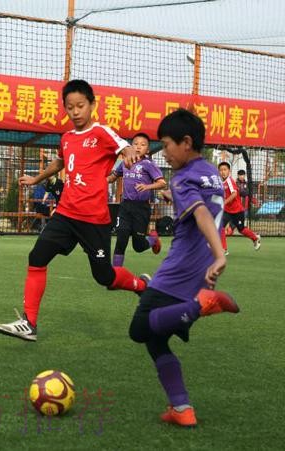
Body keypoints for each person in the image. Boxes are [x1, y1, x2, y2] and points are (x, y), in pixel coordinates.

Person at [0, 79, 150, 342]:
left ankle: (143, 286)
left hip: (94, 220)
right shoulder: (66, 138)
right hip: (65, 214)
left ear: (92, 105)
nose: (75, 111)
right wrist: (36, 179)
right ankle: (29, 323)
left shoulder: (101, 132)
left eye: (80, 105)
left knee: (104, 277)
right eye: (70, 107)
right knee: (37, 257)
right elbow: (59, 162)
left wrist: (128, 154)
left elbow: (123, 146)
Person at [129, 109, 240, 427]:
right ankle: (181, 408)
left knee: (139, 329)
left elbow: (201, 212)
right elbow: (203, 207)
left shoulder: (182, 177)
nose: (164, 152)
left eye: (166, 145)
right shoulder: (210, 173)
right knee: (156, 340)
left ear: (186, 142)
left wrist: (221, 255)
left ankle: (198, 307)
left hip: (180, 271)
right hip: (202, 271)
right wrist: (215, 256)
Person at [107, 132, 166, 267]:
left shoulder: (148, 164)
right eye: (135, 144)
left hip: (141, 208)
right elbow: (112, 177)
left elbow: (162, 183)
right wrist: (102, 180)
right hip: (125, 207)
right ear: (130, 147)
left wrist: (147, 186)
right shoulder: (124, 162)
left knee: (138, 246)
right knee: (121, 240)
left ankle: (153, 239)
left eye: (143, 144)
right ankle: (116, 274)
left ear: (148, 150)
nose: (138, 146)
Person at [218, 162, 260, 253]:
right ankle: (224, 249)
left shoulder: (229, 181)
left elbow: (234, 194)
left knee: (241, 229)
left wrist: (224, 202)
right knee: (220, 227)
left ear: (229, 171)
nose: (223, 172)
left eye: (225, 169)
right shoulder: (221, 182)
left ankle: (255, 238)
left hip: (237, 211)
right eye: (221, 170)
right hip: (227, 211)